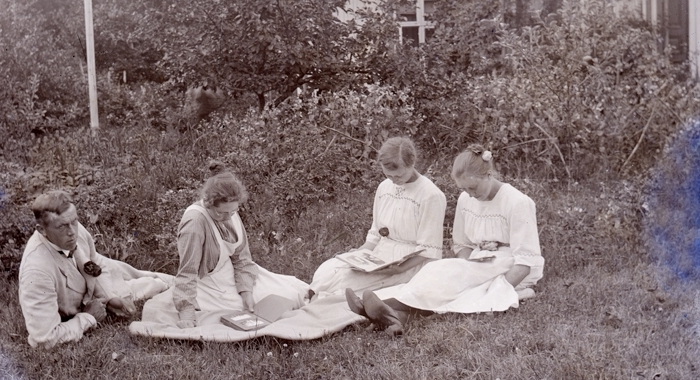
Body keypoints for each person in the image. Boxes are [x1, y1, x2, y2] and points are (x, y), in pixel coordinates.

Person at [346, 144, 545, 335]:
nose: (470, 194)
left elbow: (525, 262)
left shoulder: (517, 202)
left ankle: (384, 305)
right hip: (479, 262)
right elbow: (462, 244)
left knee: (450, 280)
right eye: (464, 189)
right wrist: (467, 268)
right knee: (437, 272)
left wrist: (495, 289)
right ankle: (396, 316)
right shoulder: (466, 199)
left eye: (473, 187)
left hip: (511, 266)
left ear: (489, 175)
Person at [18, 191, 171, 348]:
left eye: (74, 221)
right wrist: (88, 317)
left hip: (97, 281)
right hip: (77, 303)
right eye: (62, 226)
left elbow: (96, 262)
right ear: (42, 230)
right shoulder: (36, 272)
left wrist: (109, 297)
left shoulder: (73, 228)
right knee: (152, 286)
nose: (72, 232)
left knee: (157, 281)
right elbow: (45, 339)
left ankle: (170, 282)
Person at [171, 162, 309, 328]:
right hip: (209, 286)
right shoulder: (194, 224)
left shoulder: (230, 212)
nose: (228, 217)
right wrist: (187, 314)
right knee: (272, 305)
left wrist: (246, 291)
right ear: (208, 203)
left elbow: (242, 258)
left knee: (295, 292)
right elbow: (187, 272)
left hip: (233, 273)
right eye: (222, 213)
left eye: (233, 211)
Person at [308, 137, 446, 298]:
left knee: (346, 282)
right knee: (328, 269)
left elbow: (429, 249)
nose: (394, 181)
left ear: (412, 164)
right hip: (381, 255)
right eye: (389, 176)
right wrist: (360, 253)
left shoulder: (431, 195)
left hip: (410, 264)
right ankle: (317, 296)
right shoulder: (384, 187)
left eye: (399, 176)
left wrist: (398, 269)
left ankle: (330, 300)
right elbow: (375, 235)